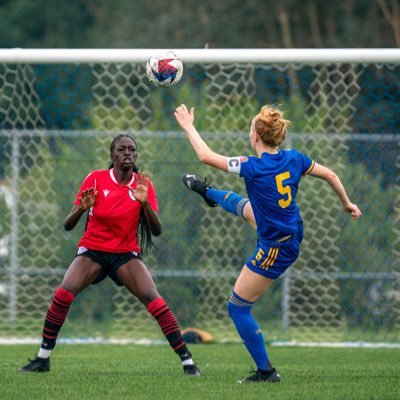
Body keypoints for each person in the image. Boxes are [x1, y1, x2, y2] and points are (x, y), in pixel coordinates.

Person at [174, 104, 362, 384]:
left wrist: (189, 126)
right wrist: (347, 203)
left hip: (276, 247)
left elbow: (205, 155)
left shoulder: (252, 166)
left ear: (255, 137)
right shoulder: (294, 158)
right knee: (249, 209)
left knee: (237, 308)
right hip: (292, 229)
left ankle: (266, 372)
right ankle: (208, 192)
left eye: (251, 129)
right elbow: (331, 175)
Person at [19, 134, 200, 377]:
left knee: (153, 298)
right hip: (93, 251)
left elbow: (156, 230)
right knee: (64, 292)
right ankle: (42, 359)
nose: (128, 153)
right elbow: (68, 225)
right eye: (122, 149)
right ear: (112, 155)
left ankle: (187, 361)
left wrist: (144, 204)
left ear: (136, 155)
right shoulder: (95, 179)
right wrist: (82, 209)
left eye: (132, 149)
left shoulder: (142, 184)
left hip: (125, 254)